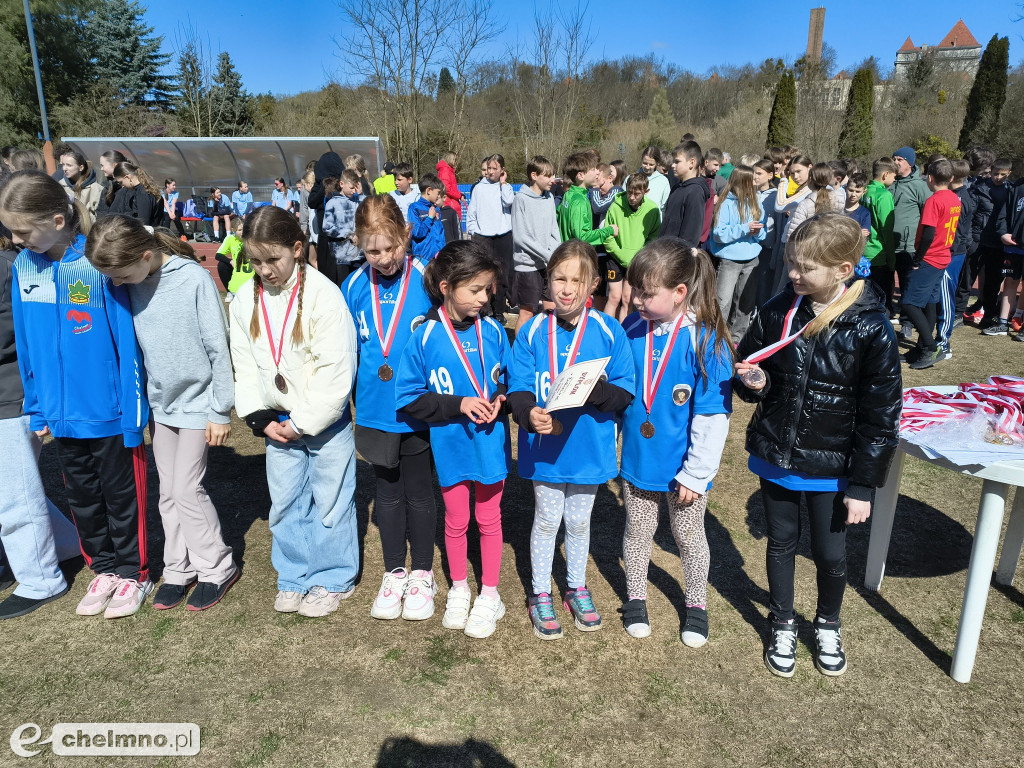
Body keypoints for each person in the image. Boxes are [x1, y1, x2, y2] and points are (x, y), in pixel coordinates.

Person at [735, 212, 901, 678]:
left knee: (829, 554)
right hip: (778, 455)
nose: (793, 273)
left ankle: (828, 622)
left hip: (833, 467)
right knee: (781, 543)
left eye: (805, 267)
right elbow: (754, 365)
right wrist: (754, 382)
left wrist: (863, 485)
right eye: (792, 262)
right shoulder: (777, 310)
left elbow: (881, 414)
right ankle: (783, 620)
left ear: (843, 270)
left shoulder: (871, 326)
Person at [0, 170, 151, 619]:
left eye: (23, 231)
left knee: (122, 500)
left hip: (108, 412)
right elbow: (27, 345)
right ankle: (103, 569)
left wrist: (132, 413)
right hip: (60, 417)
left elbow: (126, 342)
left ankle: (134, 573)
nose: (15, 240)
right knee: (83, 501)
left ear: (57, 220)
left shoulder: (97, 262)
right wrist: (38, 407)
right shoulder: (24, 267)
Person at [84, 216, 239, 611]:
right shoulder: (129, 281)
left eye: (121, 275)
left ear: (145, 256)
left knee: (187, 489)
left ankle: (217, 567)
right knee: (168, 492)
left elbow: (218, 346)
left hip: (199, 404)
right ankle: (178, 568)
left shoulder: (193, 280)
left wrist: (220, 410)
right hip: (161, 406)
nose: (116, 284)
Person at [229, 206, 358, 617]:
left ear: (297, 249)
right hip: (277, 422)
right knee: (285, 502)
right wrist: (260, 418)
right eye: (256, 261)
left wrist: (304, 423)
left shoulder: (324, 296)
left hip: (324, 424)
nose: (265, 270)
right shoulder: (244, 299)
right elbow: (244, 362)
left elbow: (335, 369)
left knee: (331, 502)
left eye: (273, 259)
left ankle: (332, 577)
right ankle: (294, 575)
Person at [507, 240, 635, 639]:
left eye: (577, 281)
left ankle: (576, 586)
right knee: (547, 519)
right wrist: (528, 413)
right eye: (559, 279)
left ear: (594, 284)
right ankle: (540, 592)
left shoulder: (609, 330)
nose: (566, 289)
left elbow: (625, 391)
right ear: (547, 281)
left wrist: (597, 391)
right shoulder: (531, 331)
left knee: (579, 521)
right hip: (545, 449)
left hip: (588, 449)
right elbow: (518, 387)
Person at [618, 238, 733, 646]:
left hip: (684, 473)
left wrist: (696, 474)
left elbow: (712, 417)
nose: (636, 300)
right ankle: (636, 596)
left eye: (647, 293)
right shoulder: (631, 329)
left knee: (689, 536)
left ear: (680, 292)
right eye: (634, 290)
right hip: (638, 461)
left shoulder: (707, 341)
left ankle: (697, 604)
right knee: (637, 530)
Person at [395, 240, 511, 639]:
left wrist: (502, 400)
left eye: (487, 289)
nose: (484, 298)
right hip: (451, 447)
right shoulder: (425, 336)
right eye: (475, 290)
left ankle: (490, 594)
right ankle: (460, 589)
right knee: (457, 520)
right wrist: (458, 404)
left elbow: (511, 382)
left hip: (490, 444)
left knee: (489, 519)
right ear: (446, 287)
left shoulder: (494, 331)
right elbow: (408, 397)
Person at [340, 196, 437, 622]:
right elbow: (346, 351)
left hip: (416, 409)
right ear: (358, 245)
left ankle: (423, 573)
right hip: (374, 411)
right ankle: (395, 570)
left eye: (390, 247)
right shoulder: (352, 287)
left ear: (406, 235)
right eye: (372, 250)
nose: (382, 258)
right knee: (387, 491)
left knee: (419, 491)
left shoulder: (427, 280)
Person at [0, 217, 80, 619]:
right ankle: (65, 545)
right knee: (15, 488)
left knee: (14, 495)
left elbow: (14, 334)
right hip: (11, 394)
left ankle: (41, 579)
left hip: (12, 395)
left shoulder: (11, 266)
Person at [900, 159, 960, 368]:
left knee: (909, 303)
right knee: (929, 303)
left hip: (930, 258)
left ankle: (930, 347)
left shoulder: (934, 201)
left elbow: (929, 234)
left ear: (930, 178)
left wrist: (917, 260)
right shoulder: (954, 198)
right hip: (942, 255)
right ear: (951, 178)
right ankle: (921, 348)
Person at [710, 165, 768, 343]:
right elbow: (718, 234)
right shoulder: (725, 203)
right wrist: (745, 228)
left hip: (752, 260)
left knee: (745, 303)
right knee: (722, 301)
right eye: (752, 180)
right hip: (729, 261)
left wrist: (757, 232)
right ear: (742, 182)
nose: (755, 183)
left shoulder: (757, 202)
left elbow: (763, 234)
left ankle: (737, 339)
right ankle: (716, 337)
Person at [511, 156, 561, 332]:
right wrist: (546, 254)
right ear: (534, 175)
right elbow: (520, 237)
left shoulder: (549, 198)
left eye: (553, 175)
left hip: (547, 266)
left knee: (551, 310)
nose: (552, 180)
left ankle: (546, 344)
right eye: (548, 176)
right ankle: (519, 348)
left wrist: (555, 254)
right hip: (527, 267)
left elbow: (554, 229)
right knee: (527, 313)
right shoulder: (520, 199)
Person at [603, 173, 661, 321]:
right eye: (629, 193)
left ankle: (625, 331)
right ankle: (606, 330)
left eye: (637, 194)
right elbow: (608, 237)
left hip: (636, 261)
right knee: (614, 297)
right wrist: (621, 255)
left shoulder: (652, 210)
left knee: (628, 299)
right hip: (615, 257)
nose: (632, 197)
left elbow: (653, 238)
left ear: (646, 192)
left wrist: (640, 256)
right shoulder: (615, 207)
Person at [936, 159, 977, 355]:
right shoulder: (959, 196)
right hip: (953, 251)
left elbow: (958, 231)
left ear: (951, 177)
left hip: (952, 253)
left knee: (946, 294)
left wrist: (949, 250)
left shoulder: (960, 199)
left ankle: (943, 341)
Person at [466, 154, 515, 317]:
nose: (491, 172)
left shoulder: (506, 187)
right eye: (489, 168)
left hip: (503, 236)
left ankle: (499, 311)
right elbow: (472, 212)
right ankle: (485, 309)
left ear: (502, 170)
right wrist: (473, 231)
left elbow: (509, 201)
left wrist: (503, 183)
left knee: (502, 275)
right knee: (483, 274)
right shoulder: (479, 188)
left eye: (495, 168)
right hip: (482, 237)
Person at [890, 147, 931, 332]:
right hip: (887, 244)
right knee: (886, 284)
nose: (896, 162)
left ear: (910, 163)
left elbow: (928, 216)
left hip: (908, 246)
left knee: (907, 285)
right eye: (894, 159)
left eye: (900, 159)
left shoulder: (920, 186)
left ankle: (907, 322)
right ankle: (886, 316)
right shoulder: (888, 182)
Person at [976, 159, 1014, 334]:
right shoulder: (980, 187)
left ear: (1009, 174)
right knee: (970, 278)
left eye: (1002, 175)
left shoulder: (1012, 190)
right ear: (990, 172)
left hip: (999, 243)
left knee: (993, 281)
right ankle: (962, 312)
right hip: (980, 239)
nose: (998, 177)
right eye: (995, 174)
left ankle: (989, 315)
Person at [861, 158, 897, 314]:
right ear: (885, 174)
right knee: (881, 298)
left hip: (863, 251)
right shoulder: (884, 195)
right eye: (894, 176)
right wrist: (892, 259)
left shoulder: (863, 191)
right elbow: (886, 229)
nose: (894, 179)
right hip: (879, 253)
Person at [660, 140, 709, 246]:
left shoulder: (695, 192)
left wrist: (681, 254)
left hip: (677, 253)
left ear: (692, 163)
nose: (673, 165)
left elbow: (690, 235)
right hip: (664, 250)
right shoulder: (677, 188)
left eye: (677, 162)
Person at [322, 170, 364, 283]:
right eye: (351, 188)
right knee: (344, 283)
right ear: (342, 184)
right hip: (342, 255)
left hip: (358, 254)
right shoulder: (332, 203)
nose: (354, 191)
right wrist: (349, 234)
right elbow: (327, 227)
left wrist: (361, 195)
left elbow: (368, 209)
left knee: (358, 283)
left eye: (355, 188)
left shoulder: (357, 201)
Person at [785, 163, 846, 238]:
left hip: (809, 243)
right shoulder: (839, 199)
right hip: (831, 242)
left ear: (810, 179)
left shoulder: (805, 204)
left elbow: (793, 234)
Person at [407, 173, 448, 262]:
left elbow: (441, 234)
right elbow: (417, 233)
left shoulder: (437, 209)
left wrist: (443, 252)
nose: (439, 196)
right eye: (438, 193)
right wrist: (429, 218)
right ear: (429, 190)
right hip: (422, 259)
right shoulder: (414, 208)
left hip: (438, 259)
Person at [112, 162, 163, 228]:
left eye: (121, 182)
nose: (122, 186)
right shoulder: (145, 190)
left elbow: (143, 222)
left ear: (127, 177)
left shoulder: (142, 193)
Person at [58, 148, 102, 220]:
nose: (64, 168)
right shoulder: (59, 186)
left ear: (81, 167)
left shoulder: (96, 189)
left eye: (69, 165)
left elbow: (99, 217)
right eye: (63, 165)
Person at [215, 216, 253, 298]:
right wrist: (231, 261)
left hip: (250, 268)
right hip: (237, 268)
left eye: (244, 229)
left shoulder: (252, 238)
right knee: (222, 265)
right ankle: (229, 292)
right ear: (233, 230)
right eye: (239, 230)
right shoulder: (230, 239)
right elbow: (218, 255)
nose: (242, 232)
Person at [96, 150, 130, 217]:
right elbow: (100, 211)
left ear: (115, 165)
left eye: (102, 165)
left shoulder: (127, 188)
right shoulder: (107, 186)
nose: (101, 169)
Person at [436, 152, 465, 223]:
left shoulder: (448, 170)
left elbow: (450, 187)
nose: (455, 162)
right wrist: (459, 195)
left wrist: (459, 194)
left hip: (450, 202)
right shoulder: (445, 170)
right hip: (449, 203)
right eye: (454, 159)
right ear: (449, 159)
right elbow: (446, 188)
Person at [843, 173, 872, 239]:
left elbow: (865, 238)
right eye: (851, 190)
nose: (853, 194)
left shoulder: (864, 213)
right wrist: (857, 233)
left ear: (864, 192)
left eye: (858, 192)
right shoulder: (837, 207)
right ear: (845, 188)